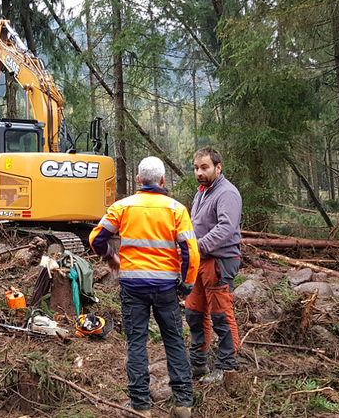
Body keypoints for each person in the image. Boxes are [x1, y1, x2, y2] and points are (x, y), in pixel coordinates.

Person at [89, 156, 200, 418]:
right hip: (166, 289)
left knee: (136, 344)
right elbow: (191, 254)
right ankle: (183, 403)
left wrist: (110, 256)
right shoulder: (176, 209)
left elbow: (96, 239)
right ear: (162, 180)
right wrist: (186, 286)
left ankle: (140, 406)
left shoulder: (123, 207)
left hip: (132, 288)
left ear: (139, 180)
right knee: (174, 341)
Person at [185, 146, 243, 384]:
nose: (199, 172)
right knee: (194, 312)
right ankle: (198, 363)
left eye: (204, 167)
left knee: (221, 314)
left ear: (218, 168)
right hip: (199, 261)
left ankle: (226, 366)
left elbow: (225, 228)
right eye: (196, 168)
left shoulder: (227, 193)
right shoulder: (202, 193)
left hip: (220, 261)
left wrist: (196, 247)